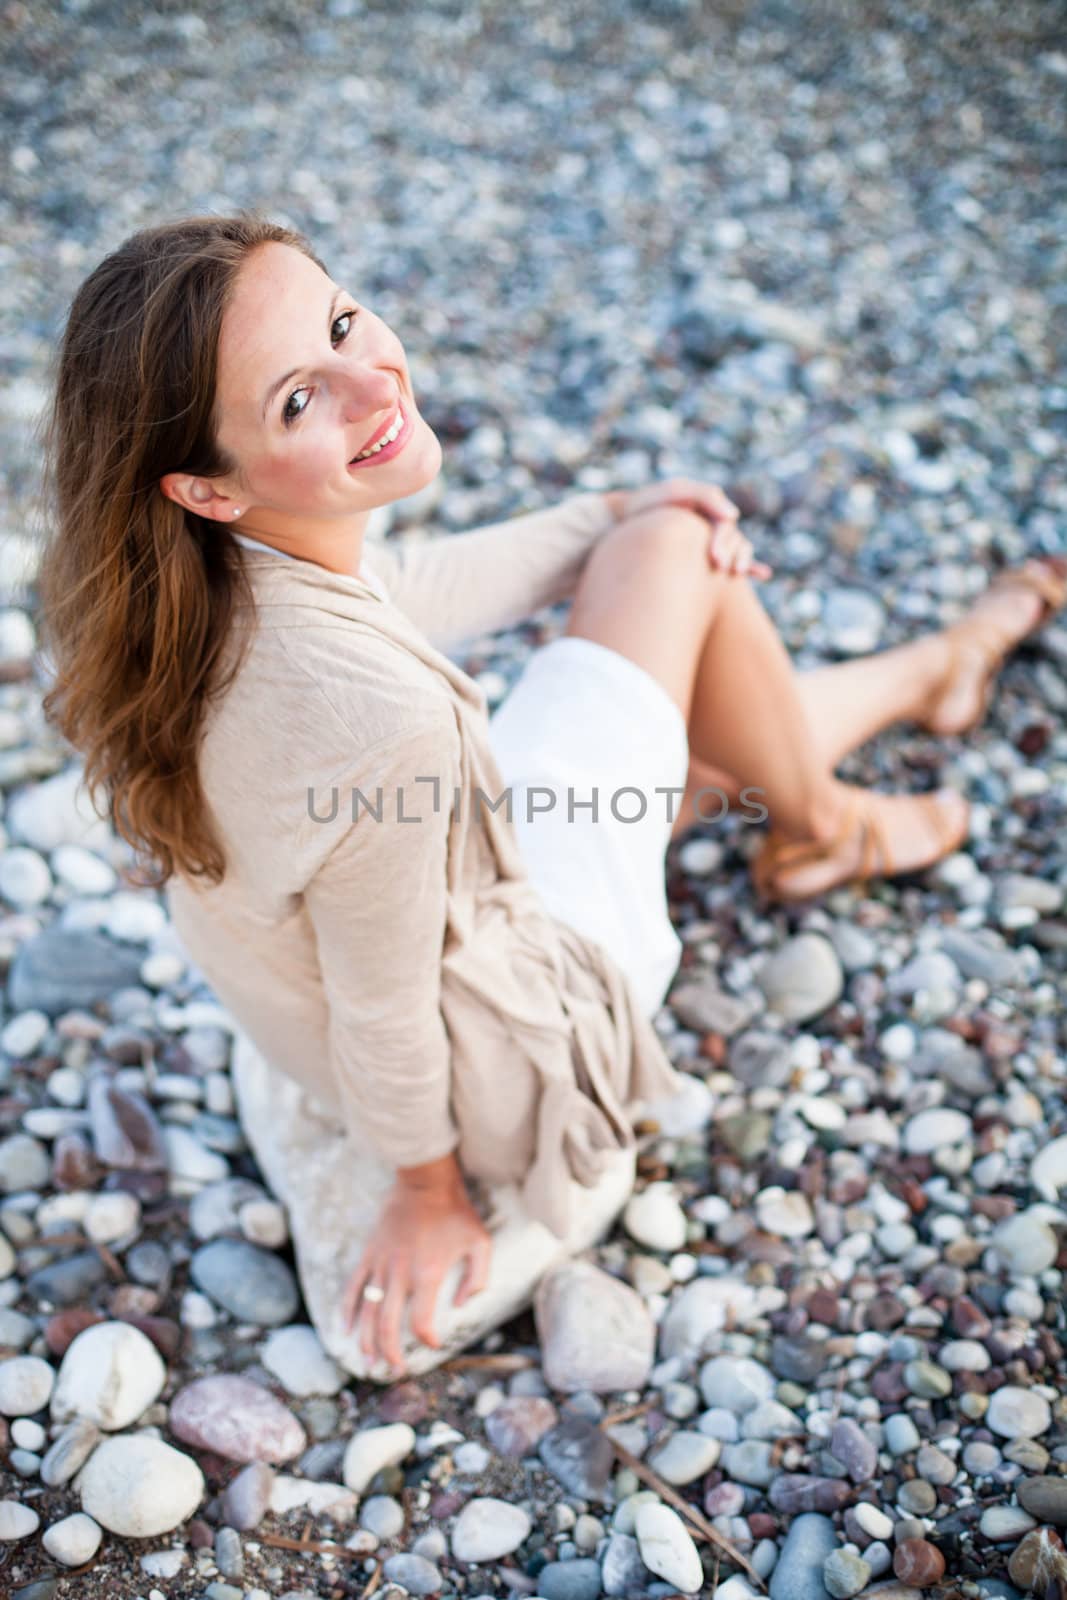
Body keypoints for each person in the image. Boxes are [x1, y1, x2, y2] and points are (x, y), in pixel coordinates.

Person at [37, 212, 1067, 1373]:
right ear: (208, 487)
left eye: (340, 322)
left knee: (672, 687)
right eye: (294, 400)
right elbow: (385, 1007)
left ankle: (929, 672)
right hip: (510, 1014)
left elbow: (403, 585)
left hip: (404, 910)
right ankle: (832, 824)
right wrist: (426, 1190)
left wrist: (601, 518)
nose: (369, 382)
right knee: (682, 553)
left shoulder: (193, 588)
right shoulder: (380, 721)